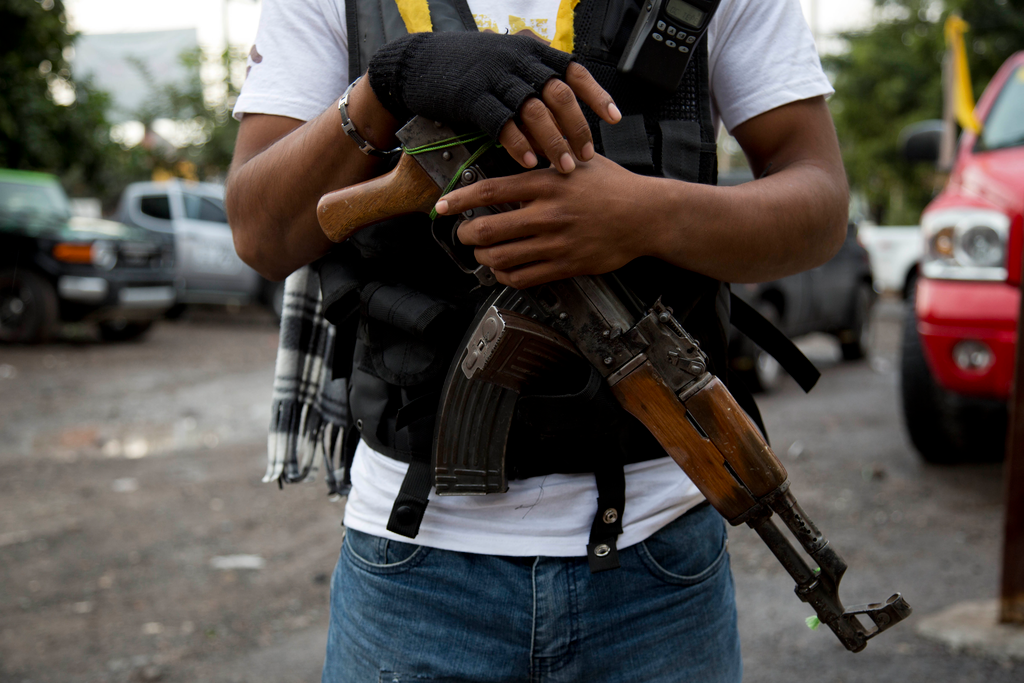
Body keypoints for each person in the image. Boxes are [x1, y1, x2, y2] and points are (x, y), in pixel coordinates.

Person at [226, 0, 848, 680]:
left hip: (659, 565)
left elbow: (818, 207)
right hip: (413, 572)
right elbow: (263, 232)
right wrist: (387, 85)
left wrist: (646, 216)